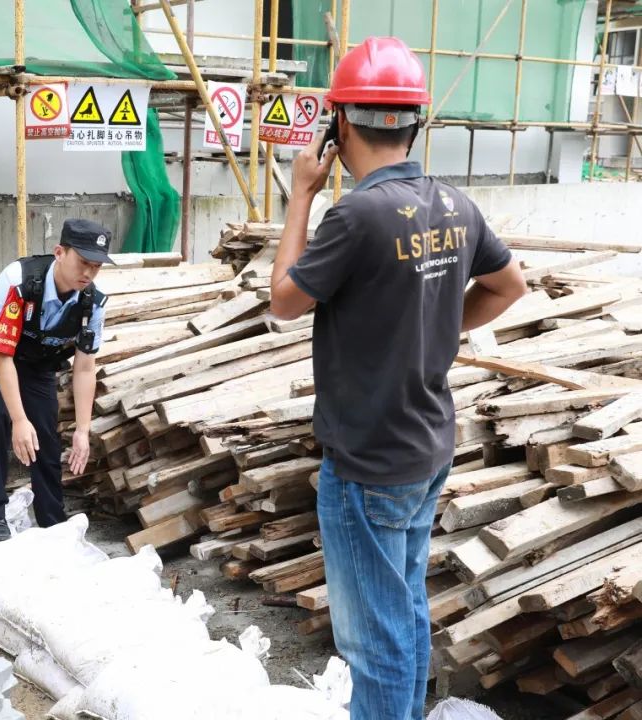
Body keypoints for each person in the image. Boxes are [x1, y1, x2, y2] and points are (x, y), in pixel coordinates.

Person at [269, 37, 527, 720]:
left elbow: (283, 301)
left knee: (375, 643)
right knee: (405, 615)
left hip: (366, 464)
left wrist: (301, 194)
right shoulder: (455, 205)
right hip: (424, 450)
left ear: (340, 124)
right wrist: (438, 327)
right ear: (416, 124)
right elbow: (509, 286)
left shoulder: (354, 216)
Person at [0, 219, 111, 541]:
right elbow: (2, 354)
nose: (88, 273)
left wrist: (83, 431)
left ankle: (51, 520)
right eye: (83, 262)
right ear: (60, 252)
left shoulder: (92, 302)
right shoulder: (20, 282)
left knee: (45, 431)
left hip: (37, 362)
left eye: (96, 266)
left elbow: (85, 367)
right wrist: (18, 419)